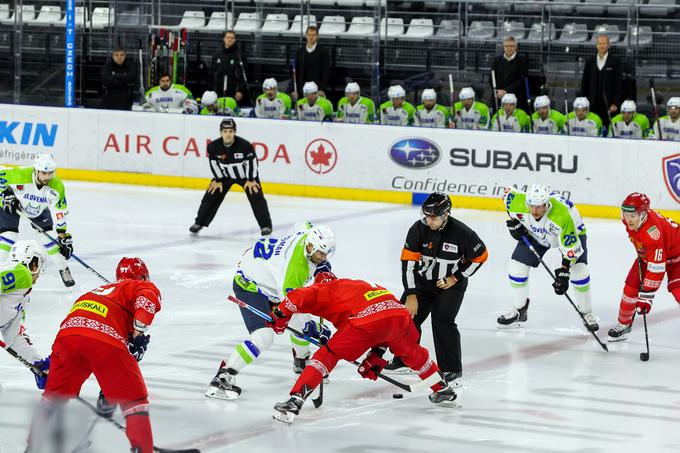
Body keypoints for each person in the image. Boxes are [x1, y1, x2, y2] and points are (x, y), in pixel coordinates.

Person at [268, 273, 458, 423]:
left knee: (327, 355)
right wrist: (376, 354)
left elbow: (297, 297)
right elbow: (384, 322)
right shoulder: (361, 285)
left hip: (366, 322)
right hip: (399, 317)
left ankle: (295, 401)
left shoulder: (325, 288)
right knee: (413, 354)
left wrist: (279, 316)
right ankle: (443, 389)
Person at [33, 257, 162, 453]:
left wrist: (107, 395)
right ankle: (144, 450)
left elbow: (83, 334)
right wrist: (138, 334)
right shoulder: (139, 285)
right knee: (135, 401)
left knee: (53, 397)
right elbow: (146, 301)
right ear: (143, 276)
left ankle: (31, 446)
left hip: (66, 340)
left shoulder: (94, 292)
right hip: (102, 341)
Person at [204, 223, 335, 400]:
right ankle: (224, 375)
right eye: (321, 253)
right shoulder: (295, 269)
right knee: (264, 336)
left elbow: (302, 225)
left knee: (301, 319)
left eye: (326, 253)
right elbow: (291, 303)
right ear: (310, 247)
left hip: (266, 271)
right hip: (250, 285)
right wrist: (313, 328)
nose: (323, 257)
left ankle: (301, 363)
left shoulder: (308, 235)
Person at [385, 192, 488, 385]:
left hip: (450, 286)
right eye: (426, 216)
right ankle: (404, 359)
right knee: (405, 317)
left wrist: (456, 277)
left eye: (433, 217)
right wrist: (411, 294)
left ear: (446, 214)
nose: (429, 220)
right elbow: (408, 265)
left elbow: (481, 256)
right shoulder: (417, 229)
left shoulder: (462, 233)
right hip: (423, 283)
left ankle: (451, 369)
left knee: (442, 320)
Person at [499, 185, 599, 331]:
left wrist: (564, 271)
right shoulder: (516, 202)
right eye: (531, 206)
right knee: (516, 268)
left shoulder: (562, 215)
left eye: (539, 207)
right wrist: (516, 226)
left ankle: (586, 313)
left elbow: (570, 249)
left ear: (547, 204)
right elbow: (507, 196)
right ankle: (519, 310)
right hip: (536, 234)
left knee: (579, 271)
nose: (534, 211)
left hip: (571, 231)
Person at [608, 193, 680, 341]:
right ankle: (624, 324)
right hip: (647, 256)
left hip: (677, 255)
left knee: (678, 290)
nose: (628, 219)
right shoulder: (628, 220)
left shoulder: (652, 233)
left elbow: (657, 267)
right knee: (630, 288)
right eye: (626, 214)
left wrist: (646, 297)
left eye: (632, 216)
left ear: (643, 215)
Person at [0, 154, 75, 287]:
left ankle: (63, 268)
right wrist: (5, 193)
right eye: (44, 173)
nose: (47, 177)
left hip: (38, 210)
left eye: (50, 173)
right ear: (36, 170)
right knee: (9, 236)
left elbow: (59, 212)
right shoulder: (21, 174)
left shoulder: (57, 186)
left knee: (50, 242)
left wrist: (62, 235)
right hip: (14, 205)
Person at [189, 118, 272, 236]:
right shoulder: (213, 146)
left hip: (246, 177)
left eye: (230, 131)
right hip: (224, 177)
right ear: (221, 132)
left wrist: (250, 180)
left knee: (256, 195)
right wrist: (218, 180)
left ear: (234, 132)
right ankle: (199, 222)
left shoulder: (245, 145)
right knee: (211, 194)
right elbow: (214, 164)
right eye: (225, 131)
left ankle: (265, 226)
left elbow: (252, 162)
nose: (228, 134)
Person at [0, 241, 49, 389]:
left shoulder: (23, 292)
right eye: (39, 267)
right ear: (33, 262)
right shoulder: (21, 273)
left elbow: (13, 335)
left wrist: (37, 363)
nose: (39, 275)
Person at [580, 35, 623, 129]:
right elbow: (584, 83)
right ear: (596, 45)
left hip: (608, 104)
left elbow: (618, 84)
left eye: (604, 43)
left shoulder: (615, 62)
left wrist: (615, 103)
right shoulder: (590, 61)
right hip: (592, 103)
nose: (602, 46)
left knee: (607, 129)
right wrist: (584, 101)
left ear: (609, 45)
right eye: (599, 43)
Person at [490, 36, 529, 112]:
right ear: (503, 47)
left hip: (516, 98)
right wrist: (497, 91)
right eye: (507, 46)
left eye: (512, 46)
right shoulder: (497, 60)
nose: (509, 48)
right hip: (498, 98)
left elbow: (521, 80)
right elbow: (491, 77)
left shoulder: (522, 61)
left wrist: (505, 91)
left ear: (516, 47)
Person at [294, 26, 330, 100]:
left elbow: (326, 71)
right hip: (302, 90)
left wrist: (322, 89)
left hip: (317, 91)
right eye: (309, 35)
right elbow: (296, 71)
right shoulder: (300, 51)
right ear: (306, 36)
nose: (311, 37)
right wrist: (295, 90)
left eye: (314, 35)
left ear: (317, 36)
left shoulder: (323, 51)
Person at [212, 30, 246, 103]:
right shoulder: (217, 55)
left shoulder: (239, 56)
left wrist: (240, 90)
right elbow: (211, 73)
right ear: (224, 39)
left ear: (235, 40)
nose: (230, 39)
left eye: (232, 38)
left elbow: (243, 75)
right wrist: (210, 90)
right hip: (218, 91)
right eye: (228, 37)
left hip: (233, 91)